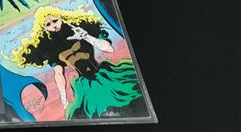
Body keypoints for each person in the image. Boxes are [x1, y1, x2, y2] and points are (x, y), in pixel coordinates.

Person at [12, 7, 145, 119]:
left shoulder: (80, 30)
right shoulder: (52, 49)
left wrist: (86, 36)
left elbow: (109, 49)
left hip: (106, 75)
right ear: (44, 29)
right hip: (85, 86)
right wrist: (64, 99)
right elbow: (58, 74)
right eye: (48, 24)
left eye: (55, 20)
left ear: (61, 18)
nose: (53, 25)